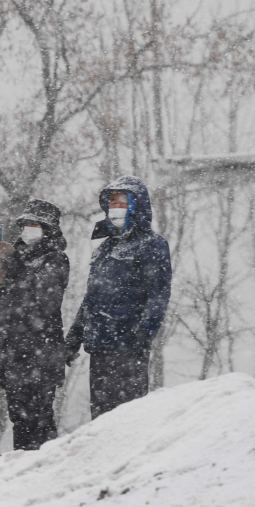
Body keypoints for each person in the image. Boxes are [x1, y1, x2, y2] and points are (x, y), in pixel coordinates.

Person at [65, 176, 172, 419]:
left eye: (122, 201)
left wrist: (144, 334)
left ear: (136, 205)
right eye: (111, 201)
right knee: (101, 421)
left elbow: (158, 294)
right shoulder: (104, 248)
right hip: (99, 346)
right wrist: (73, 339)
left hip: (128, 346)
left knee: (127, 420)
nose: (115, 207)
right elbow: (90, 300)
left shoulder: (152, 245)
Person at [0, 198, 70, 450]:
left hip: (41, 353)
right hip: (13, 352)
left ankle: (44, 465)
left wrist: (14, 259)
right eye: (26, 223)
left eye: (35, 223)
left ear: (48, 228)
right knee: (19, 418)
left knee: (40, 416)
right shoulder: (18, 257)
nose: (29, 228)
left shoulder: (56, 259)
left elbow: (44, 296)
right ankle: (22, 468)